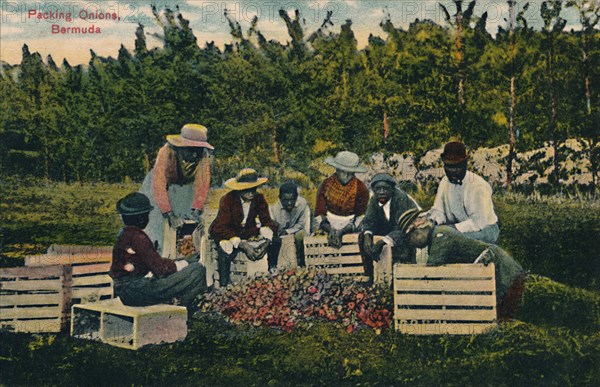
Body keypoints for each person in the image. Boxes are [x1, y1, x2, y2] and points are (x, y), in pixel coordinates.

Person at [398, 208, 525, 320]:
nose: (412, 243)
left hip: (503, 272)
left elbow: (432, 272)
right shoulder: (438, 235)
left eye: (411, 237)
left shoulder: (441, 236)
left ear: (419, 227)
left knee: (501, 319)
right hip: (495, 272)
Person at [109, 192, 207, 308]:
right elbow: (160, 269)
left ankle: (181, 308)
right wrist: (185, 263)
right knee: (197, 270)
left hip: (125, 290)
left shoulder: (125, 234)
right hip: (134, 291)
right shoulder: (138, 237)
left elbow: (152, 263)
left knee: (173, 276)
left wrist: (177, 262)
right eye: (147, 215)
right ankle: (186, 309)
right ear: (141, 218)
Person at [139, 123, 213, 255]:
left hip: (185, 188)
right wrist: (169, 214)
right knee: (157, 223)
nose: (195, 154)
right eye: (191, 149)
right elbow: (159, 184)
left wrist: (196, 210)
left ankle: (183, 257)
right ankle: (155, 256)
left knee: (187, 224)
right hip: (160, 188)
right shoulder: (167, 151)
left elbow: (203, 183)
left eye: (198, 149)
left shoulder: (204, 155)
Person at [208, 168, 278, 286]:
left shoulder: (259, 198)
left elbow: (266, 221)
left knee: (276, 240)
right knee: (225, 249)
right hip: (226, 232)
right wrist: (242, 244)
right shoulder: (228, 200)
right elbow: (221, 226)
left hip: (246, 232)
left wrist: (266, 243)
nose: (251, 193)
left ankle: (272, 273)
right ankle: (224, 285)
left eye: (253, 189)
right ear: (239, 189)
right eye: (247, 190)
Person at [426, 141, 500, 243]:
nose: (453, 172)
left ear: (465, 164)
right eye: (449, 167)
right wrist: (431, 221)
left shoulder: (477, 186)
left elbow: (477, 223)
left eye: (458, 167)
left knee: (450, 242)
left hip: (484, 230)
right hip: (458, 228)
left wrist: (449, 230)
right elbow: (438, 210)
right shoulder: (444, 182)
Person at [359, 173, 420, 283]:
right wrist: (368, 236)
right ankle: (370, 275)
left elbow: (402, 227)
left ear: (392, 189)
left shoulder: (400, 198)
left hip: (409, 229)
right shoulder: (374, 200)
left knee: (402, 246)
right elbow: (368, 221)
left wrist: (383, 241)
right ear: (373, 190)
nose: (381, 192)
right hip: (390, 228)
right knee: (363, 237)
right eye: (378, 189)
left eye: (385, 189)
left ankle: (401, 280)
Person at [315, 151, 369, 248]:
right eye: (343, 171)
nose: (347, 175)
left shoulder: (361, 188)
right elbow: (319, 212)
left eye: (350, 172)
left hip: (350, 226)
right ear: (337, 170)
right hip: (327, 224)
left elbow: (360, 216)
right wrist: (330, 230)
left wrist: (342, 232)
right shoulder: (326, 184)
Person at [268, 181, 311, 269]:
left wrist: (288, 231)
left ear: (296, 197)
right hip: (279, 234)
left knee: (301, 236)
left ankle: (301, 264)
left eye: (292, 199)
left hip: (295, 230)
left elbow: (302, 224)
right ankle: (273, 266)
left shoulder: (302, 204)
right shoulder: (273, 208)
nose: (289, 203)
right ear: (280, 198)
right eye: (286, 200)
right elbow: (272, 227)